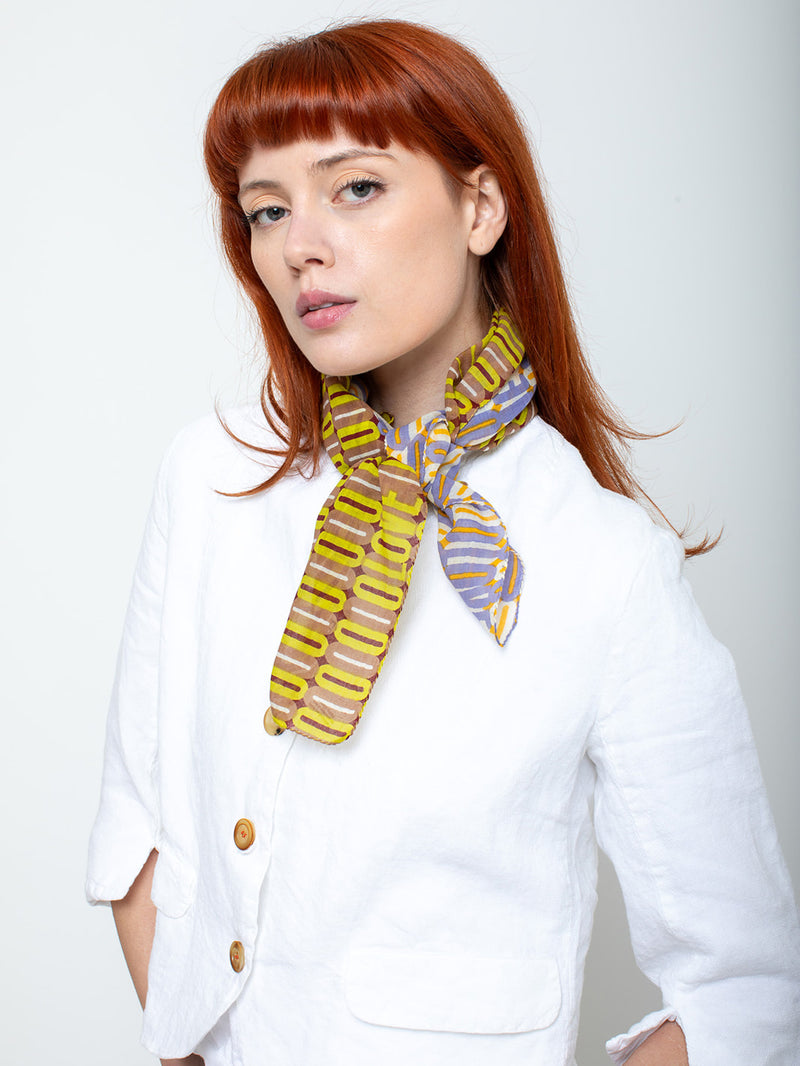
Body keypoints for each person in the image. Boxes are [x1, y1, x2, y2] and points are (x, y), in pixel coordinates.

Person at [86, 19, 800, 1066]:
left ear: (479, 206)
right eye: (267, 209)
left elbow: (744, 987)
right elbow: (136, 833)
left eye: (355, 187)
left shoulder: (605, 562)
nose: (299, 245)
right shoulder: (209, 478)